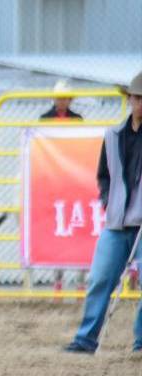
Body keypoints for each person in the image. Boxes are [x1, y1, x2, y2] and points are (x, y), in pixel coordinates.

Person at [62, 71, 142, 354]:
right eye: (138, 98)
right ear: (130, 100)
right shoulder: (113, 135)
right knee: (99, 278)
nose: (140, 104)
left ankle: (140, 341)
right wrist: (109, 200)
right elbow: (104, 175)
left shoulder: (114, 134)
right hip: (117, 222)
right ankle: (86, 338)